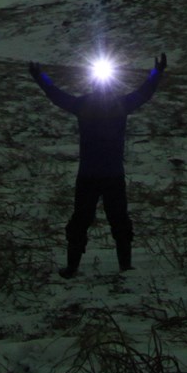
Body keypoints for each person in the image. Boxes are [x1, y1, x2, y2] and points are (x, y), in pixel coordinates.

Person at [27, 52, 166, 277]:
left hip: (91, 175)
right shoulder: (119, 104)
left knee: (85, 221)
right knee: (112, 220)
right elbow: (144, 93)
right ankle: (122, 266)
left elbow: (56, 95)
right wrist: (156, 73)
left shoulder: (85, 105)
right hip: (108, 175)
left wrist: (40, 77)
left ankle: (77, 267)